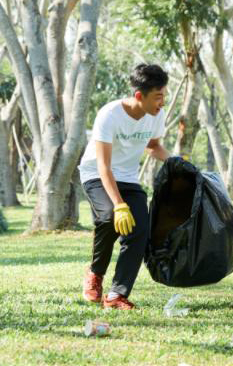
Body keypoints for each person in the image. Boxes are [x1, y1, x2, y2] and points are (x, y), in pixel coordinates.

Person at [79, 64, 170, 310]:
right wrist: (119, 205)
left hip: (128, 178)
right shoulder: (109, 115)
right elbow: (103, 166)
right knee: (110, 217)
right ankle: (95, 274)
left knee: (140, 229)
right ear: (140, 96)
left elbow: (153, 145)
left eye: (164, 96)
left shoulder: (156, 115)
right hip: (96, 174)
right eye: (158, 97)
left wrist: (174, 160)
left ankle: (116, 295)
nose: (162, 102)